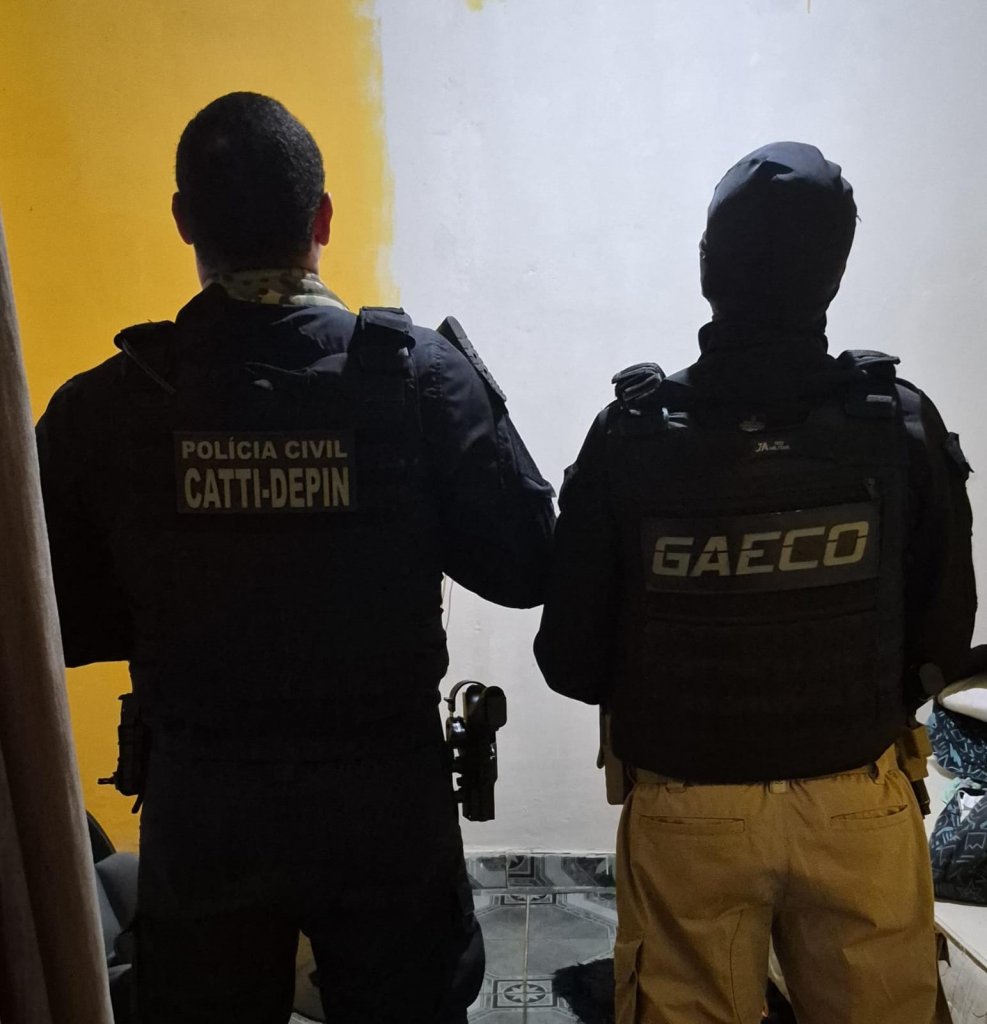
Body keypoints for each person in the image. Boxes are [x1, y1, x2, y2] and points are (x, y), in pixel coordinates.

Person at [36, 91, 555, 1024]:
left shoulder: (108, 404)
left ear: (184, 221)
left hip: (203, 802)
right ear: (322, 218)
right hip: (383, 803)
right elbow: (525, 569)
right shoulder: (420, 377)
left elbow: (52, 621)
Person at [534, 142, 975, 1024]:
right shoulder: (898, 423)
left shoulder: (630, 432)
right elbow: (943, 637)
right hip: (858, 803)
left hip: (687, 812)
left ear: (707, 268)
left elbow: (570, 659)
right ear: (835, 273)